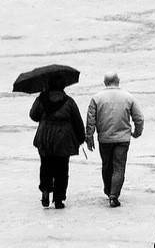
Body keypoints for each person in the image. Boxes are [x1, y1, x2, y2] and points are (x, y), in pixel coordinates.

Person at [85, 71, 144, 207]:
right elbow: (139, 118)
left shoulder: (96, 98)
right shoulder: (128, 97)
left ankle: (108, 190)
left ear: (105, 82)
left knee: (106, 165)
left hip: (104, 139)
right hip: (123, 139)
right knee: (119, 167)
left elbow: (90, 120)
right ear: (118, 81)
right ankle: (114, 195)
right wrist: (137, 132)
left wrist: (89, 137)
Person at [29, 75, 85, 209]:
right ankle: (59, 199)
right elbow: (77, 121)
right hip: (63, 138)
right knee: (62, 168)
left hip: (44, 136)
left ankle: (45, 191)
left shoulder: (41, 99)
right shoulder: (69, 101)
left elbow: (33, 115)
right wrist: (81, 138)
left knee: (46, 165)